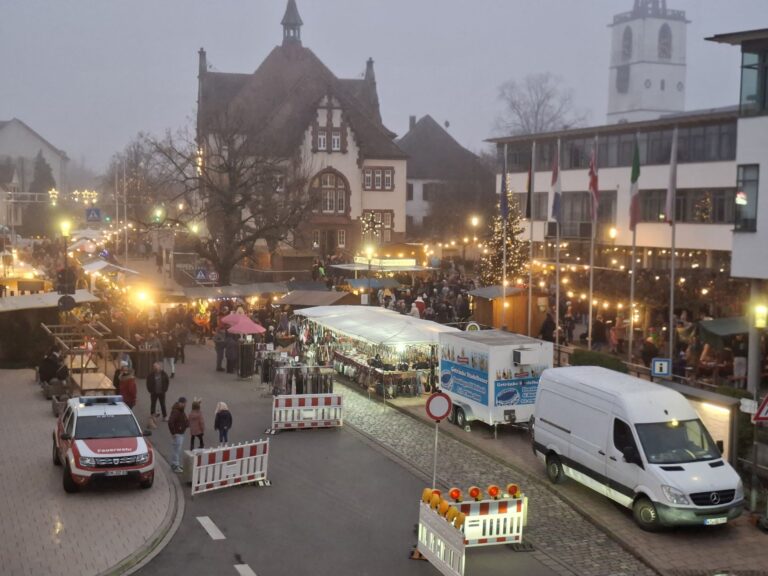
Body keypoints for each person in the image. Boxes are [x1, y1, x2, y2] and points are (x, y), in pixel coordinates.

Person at [168, 397, 189, 473]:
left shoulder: (180, 410)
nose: (185, 405)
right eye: (184, 403)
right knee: (176, 450)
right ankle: (175, 465)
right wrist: (173, 433)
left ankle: (176, 464)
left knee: (177, 450)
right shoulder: (176, 411)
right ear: (181, 403)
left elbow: (184, 420)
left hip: (180, 433)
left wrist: (186, 424)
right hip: (178, 433)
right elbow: (170, 422)